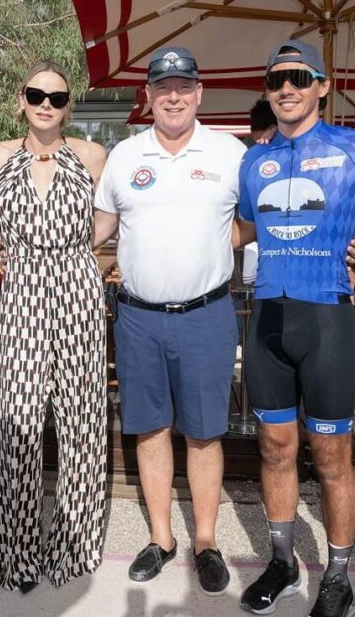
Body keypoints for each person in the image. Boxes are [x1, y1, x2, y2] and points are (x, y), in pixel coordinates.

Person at [92, 47, 246, 596]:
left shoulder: (230, 153)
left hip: (206, 314)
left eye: (183, 86)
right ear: (149, 97)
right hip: (137, 317)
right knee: (150, 428)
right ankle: (162, 539)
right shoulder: (124, 156)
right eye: (163, 88)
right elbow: (101, 227)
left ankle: (205, 540)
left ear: (199, 93)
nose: (173, 96)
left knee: (205, 432)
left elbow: (248, 223)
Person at [235, 40, 355, 617]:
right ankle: (282, 561)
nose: (286, 88)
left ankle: (338, 576)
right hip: (267, 314)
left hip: (327, 317)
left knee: (333, 454)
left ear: (322, 85)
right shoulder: (254, 159)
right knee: (273, 445)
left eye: (298, 77)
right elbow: (243, 227)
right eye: (276, 81)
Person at [0, 61, 108, 593]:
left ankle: (73, 545)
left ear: (69, 104)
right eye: (36, 94)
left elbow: (108, 220)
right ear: (21, 100)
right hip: (23, 290)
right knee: (19, 420)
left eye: (57, 97)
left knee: (81, 421)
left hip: (78, 292)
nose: (46, 104)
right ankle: (18, 550)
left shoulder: (93, 155)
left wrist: (68, 253)